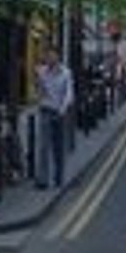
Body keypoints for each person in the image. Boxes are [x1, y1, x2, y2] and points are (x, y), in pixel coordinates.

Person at [36, 47, 74, 189]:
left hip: (60, 112)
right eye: (48, 56)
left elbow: (69, 94)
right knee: (43, 147)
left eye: (53, 56)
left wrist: (62, 109)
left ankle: (58, 177)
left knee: (58, 147)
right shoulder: (42, 72)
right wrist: (40, 95)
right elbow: (39, 91)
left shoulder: (66, 73)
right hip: (46, 110)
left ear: (58, 57)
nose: (50, 58)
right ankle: (43, 180)